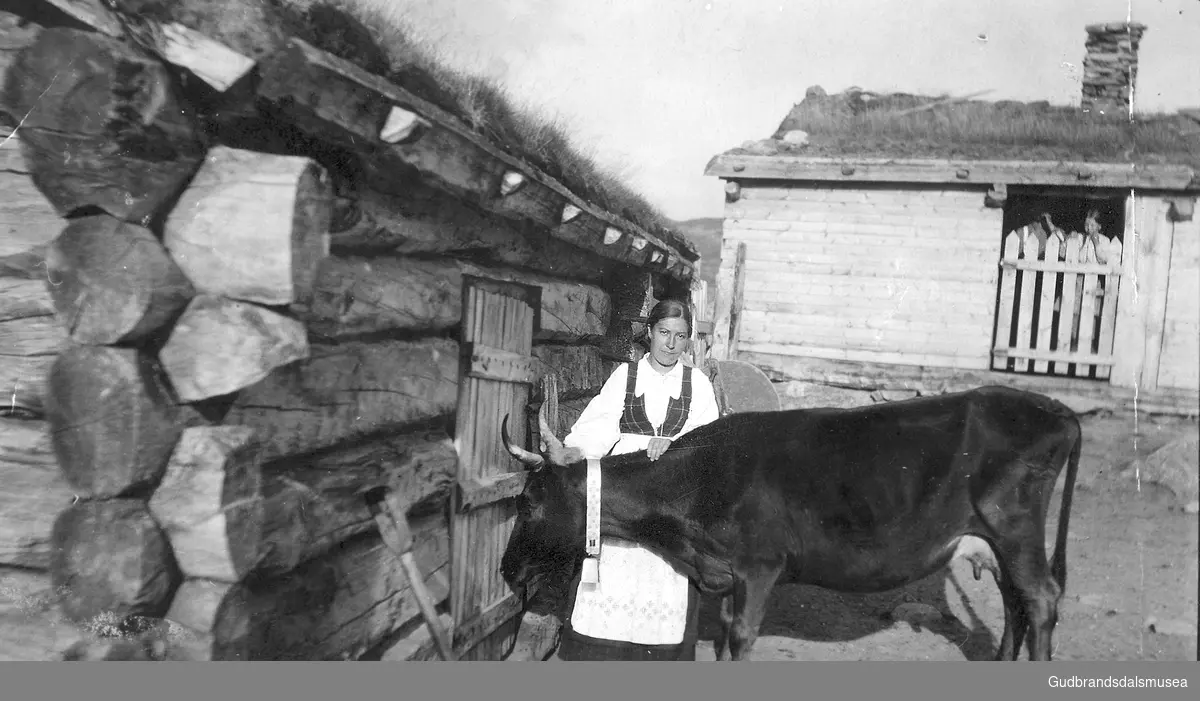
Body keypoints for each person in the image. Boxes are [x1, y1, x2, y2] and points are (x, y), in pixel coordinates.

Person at [554, 298, 721, 661]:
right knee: (614, 578)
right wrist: (575, 450)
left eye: (680, 336)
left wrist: (676, 444)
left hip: (672, 501)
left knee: (666, 581)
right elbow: (597, 427)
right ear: (649, 333)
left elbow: (711, 446)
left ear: (688, 340)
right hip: (625, 500)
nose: (671, 344)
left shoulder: (698, 384)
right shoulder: (626, 377)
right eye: (664, 333)